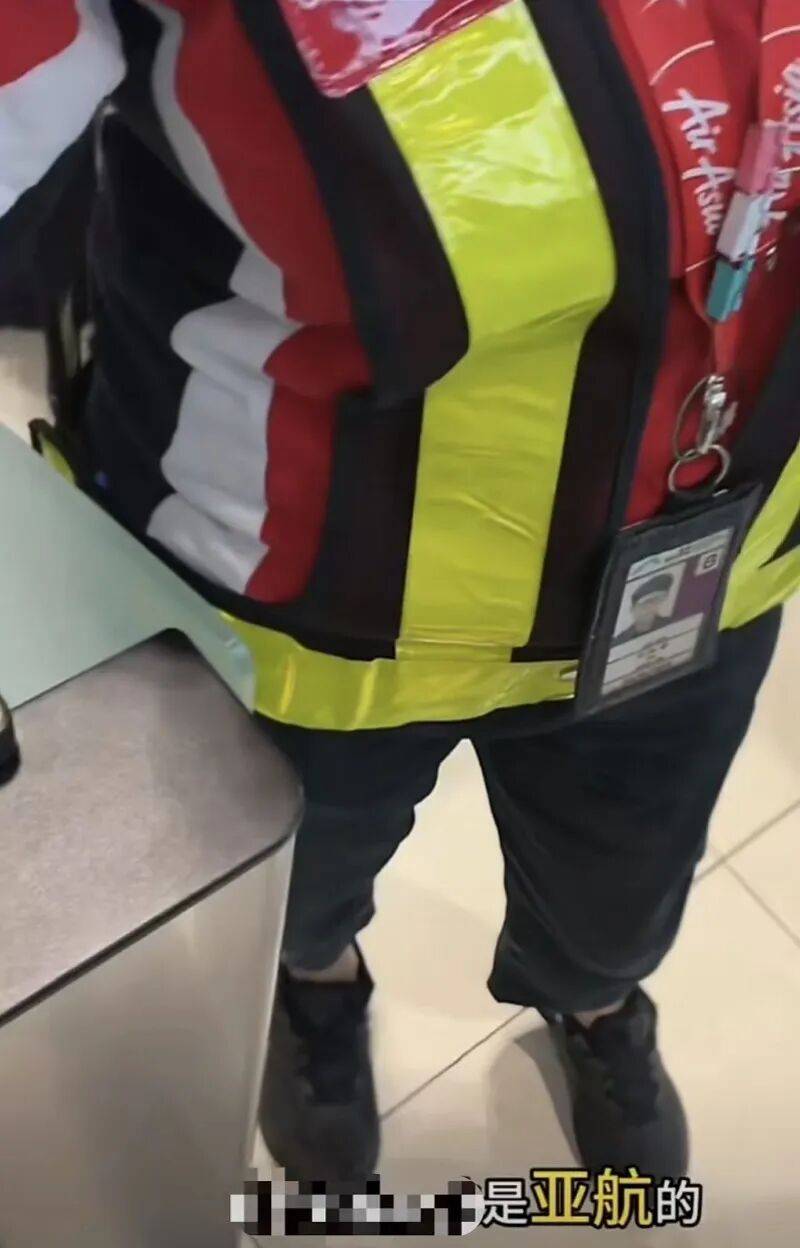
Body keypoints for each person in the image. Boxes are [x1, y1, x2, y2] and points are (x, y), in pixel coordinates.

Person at [2, 0, 798, 1186]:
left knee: (618, 901)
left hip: (700, 569)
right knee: (300, 894)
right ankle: (315, 990)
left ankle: (592, 1005)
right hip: (304, 607)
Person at [613, 573, 675, 646]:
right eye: (643, 605)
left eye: (653, 603)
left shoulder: (672, 625)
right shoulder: (620, 641)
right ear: (632, 610)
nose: (648, 609)